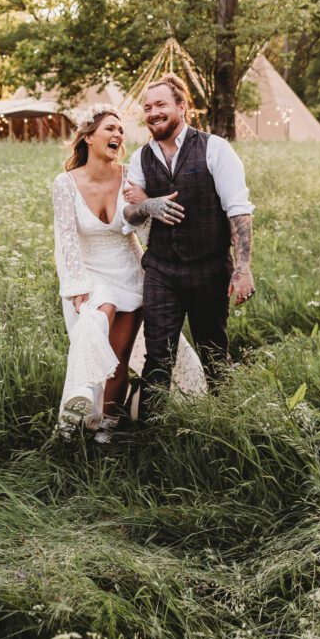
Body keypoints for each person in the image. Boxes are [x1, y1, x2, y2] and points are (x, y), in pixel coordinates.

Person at [52, 103, 200, 443]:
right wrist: (76, 286)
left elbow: (142, 225)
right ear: (88, 137)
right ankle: (76, 403)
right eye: (110, 129)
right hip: (90, 272)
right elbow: (66, 239)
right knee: (97, 316)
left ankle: (107, 423)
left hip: (129, 269)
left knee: (118, 358)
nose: (118, 134)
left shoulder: (130, 174)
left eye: (121, 130)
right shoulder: (65, 183)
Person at [122, 73, 255, 419]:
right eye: (148, 107)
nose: (153, 112)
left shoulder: (215, 148)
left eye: (161, 105)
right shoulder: (140, 158)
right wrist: (148, 205)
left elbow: (238, 210)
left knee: (214, 351)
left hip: (209, 268)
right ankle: (151, 434)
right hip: (162, 269)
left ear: (182, 107)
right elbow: (129, 215)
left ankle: (229, 423)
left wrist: (242, 269)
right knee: (158, 356)